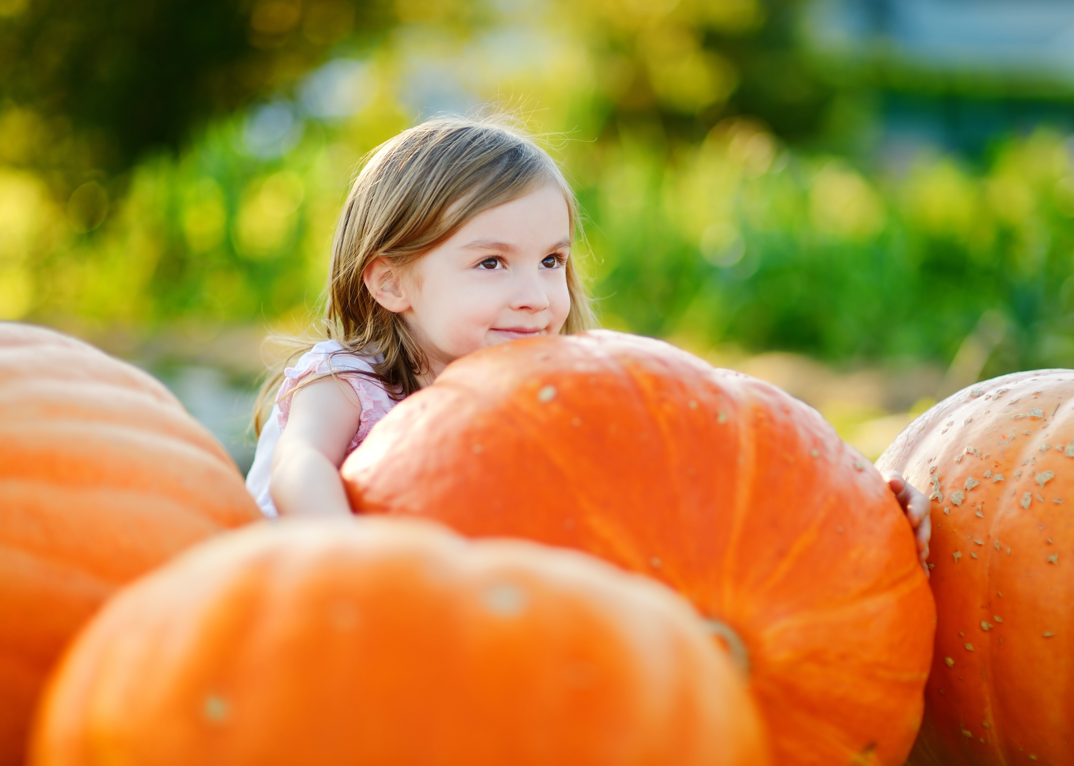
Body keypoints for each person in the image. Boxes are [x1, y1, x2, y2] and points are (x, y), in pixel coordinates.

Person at [245, 114, 932, 575]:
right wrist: (350, 558)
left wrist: (850, 498)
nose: (535, 294)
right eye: (492, 263)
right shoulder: (347, 380)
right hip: (321, 602)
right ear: (392, 282)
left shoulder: (547, 388)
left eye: (550, 261)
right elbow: (300, 466)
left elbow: (713, 446)